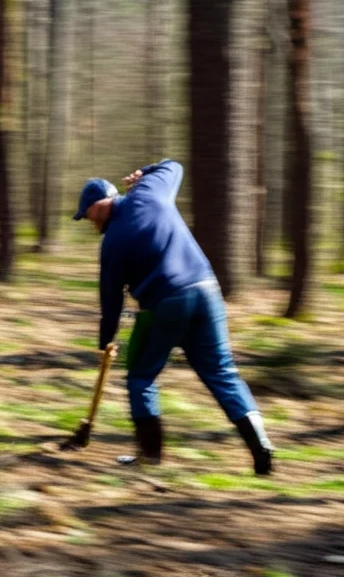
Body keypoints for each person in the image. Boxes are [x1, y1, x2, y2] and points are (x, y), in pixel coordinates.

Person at [73, 159, 275, 475]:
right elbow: (174, 166)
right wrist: (145, 172)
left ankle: (149, 457)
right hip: (207, 291)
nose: (89, 222)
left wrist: (105, 342)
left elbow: (110, 303)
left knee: (140, 376)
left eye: (87, 215)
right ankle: (260, 444)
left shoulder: (112, 243)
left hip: (166, 303)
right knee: (221, 371)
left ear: (98, 205)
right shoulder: (150, 191)